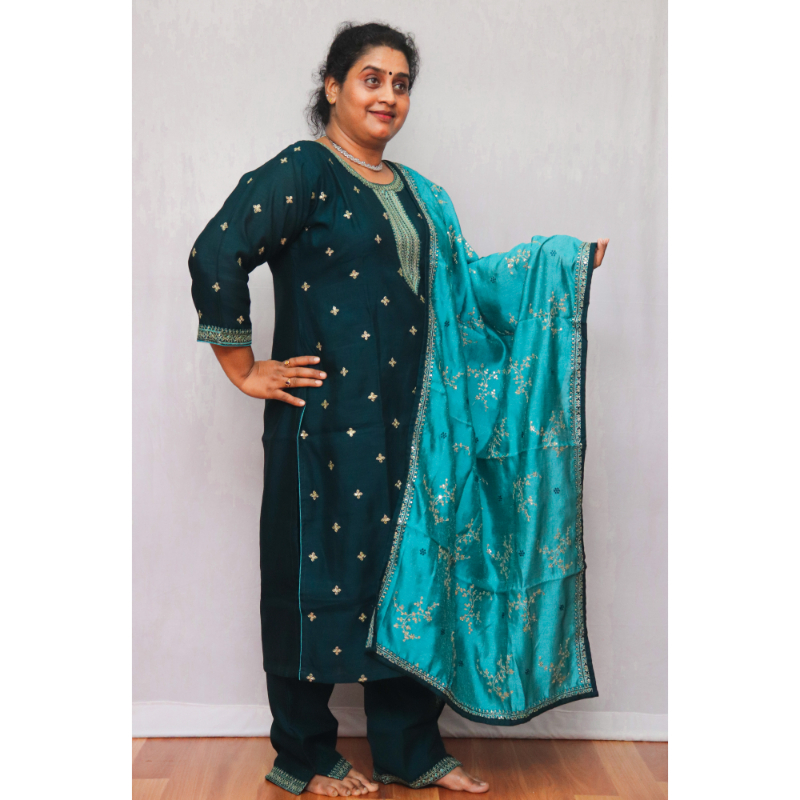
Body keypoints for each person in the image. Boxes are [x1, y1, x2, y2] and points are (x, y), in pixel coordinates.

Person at [188, 21, 608, 798]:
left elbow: (468, 292)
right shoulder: (305, 171)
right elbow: (219, 249)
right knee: (314, 579)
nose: (389, 96)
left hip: (420, 432)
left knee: (415, 581)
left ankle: (409, 751)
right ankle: (304, 754)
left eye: (402, 84)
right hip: (325, 427)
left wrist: (556, 263)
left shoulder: (425, 196)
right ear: (333, 87)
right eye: (372, 79)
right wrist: (243, 369)